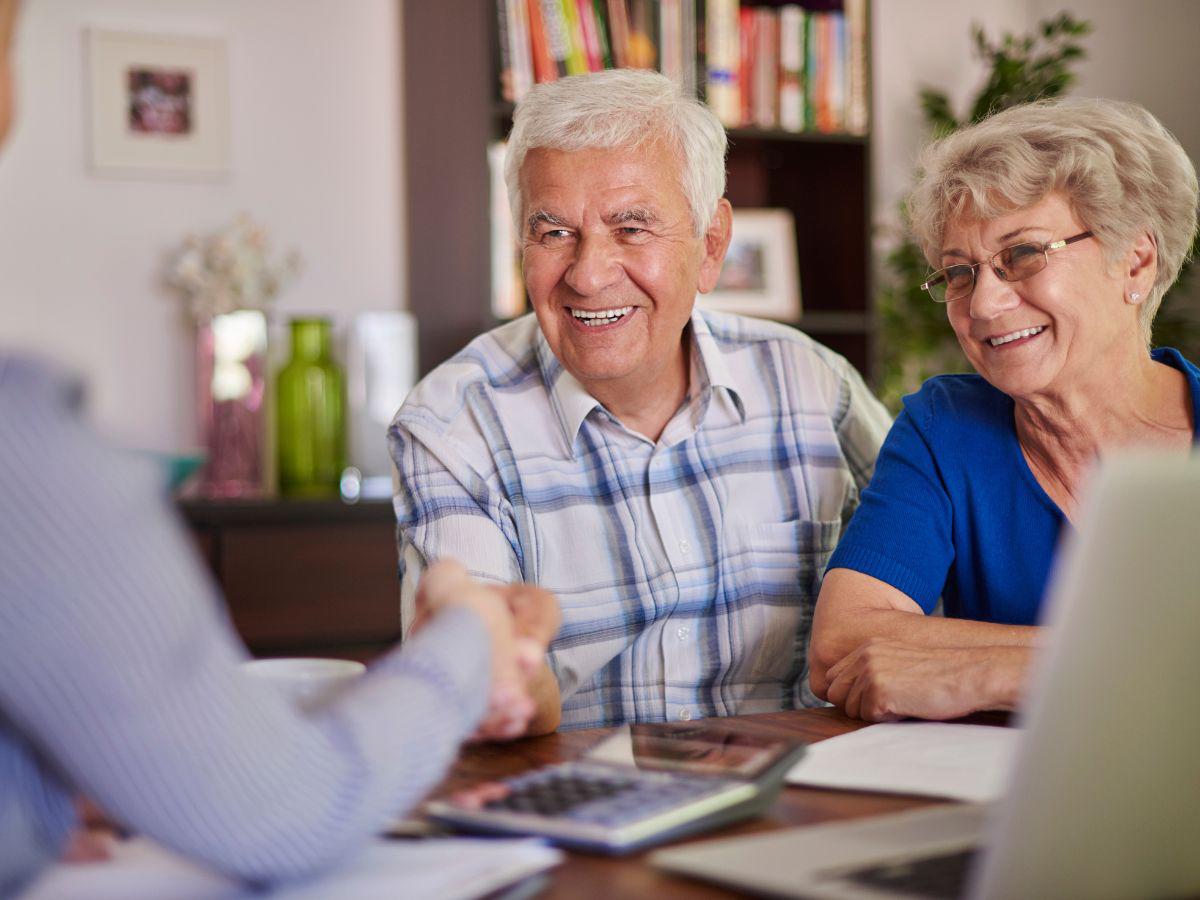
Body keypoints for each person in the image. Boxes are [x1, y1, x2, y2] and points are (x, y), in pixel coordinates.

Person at [0, 3, 559, 893]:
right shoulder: (21, 452)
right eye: (551, 230)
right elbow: (292, 807)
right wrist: (466, 633)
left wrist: (41, 798)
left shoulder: (805, 383)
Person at [390, 68, 891, 733]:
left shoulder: (815, 385)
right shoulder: (449, 426)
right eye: (554, 233)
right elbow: (497, 686)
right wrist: (497, 669)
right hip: (583, 815)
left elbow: (923, 606)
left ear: (710, 247)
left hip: (801, 802)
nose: (589, 274)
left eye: (631, 229)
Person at [809, 98, 1200, 722]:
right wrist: (1084, 664)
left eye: (1022, 255)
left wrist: (998, 669)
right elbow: (840, 646)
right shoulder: (945, 428)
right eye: (959, 273)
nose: (984, 304)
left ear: (1136, 259)